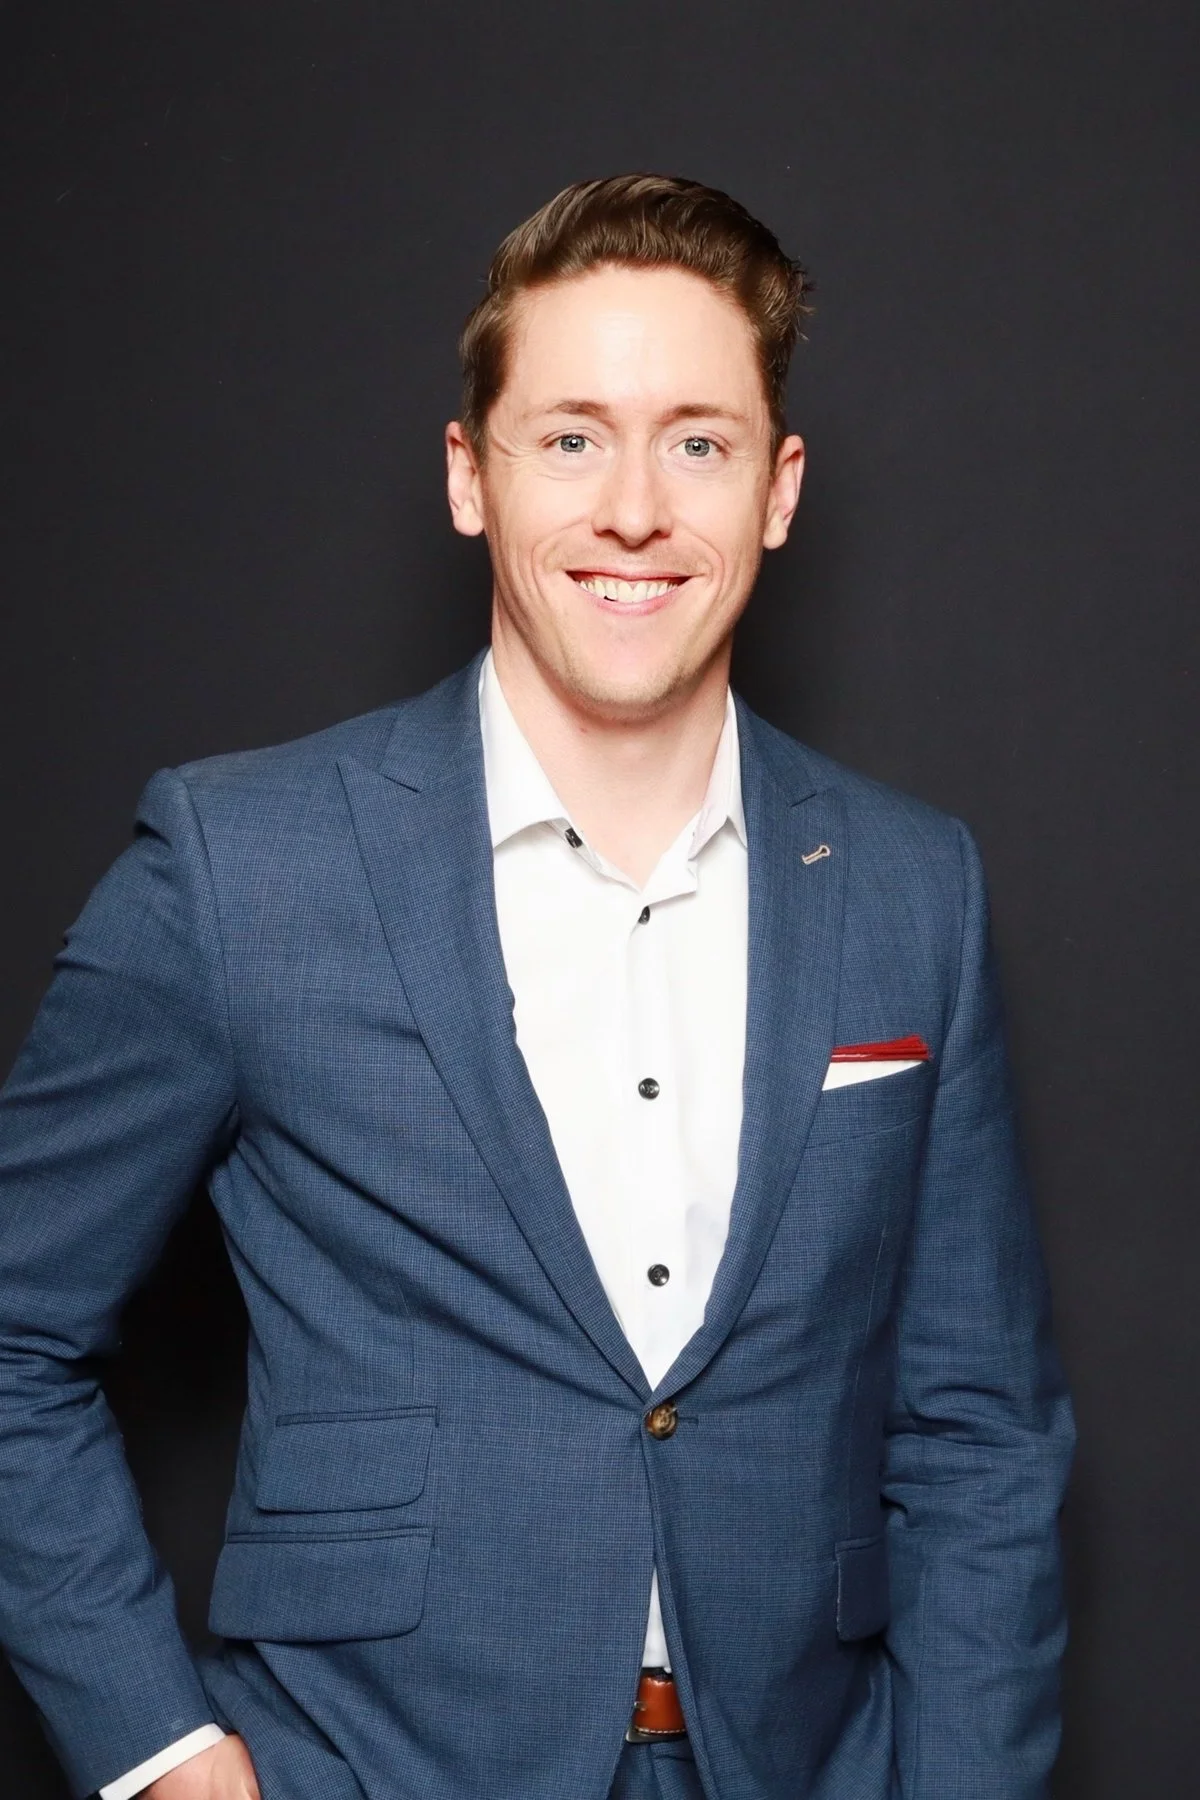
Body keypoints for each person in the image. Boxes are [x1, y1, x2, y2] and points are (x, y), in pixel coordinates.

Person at [0, 174, 1074, 1800]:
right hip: (371, 1770)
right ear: (468, 478)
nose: (634, 507)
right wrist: (157, 1754)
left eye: (698, 441)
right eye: (571, 436)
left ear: (777, 490)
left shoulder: (918, 886)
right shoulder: (244, 866)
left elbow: (980, 1427)